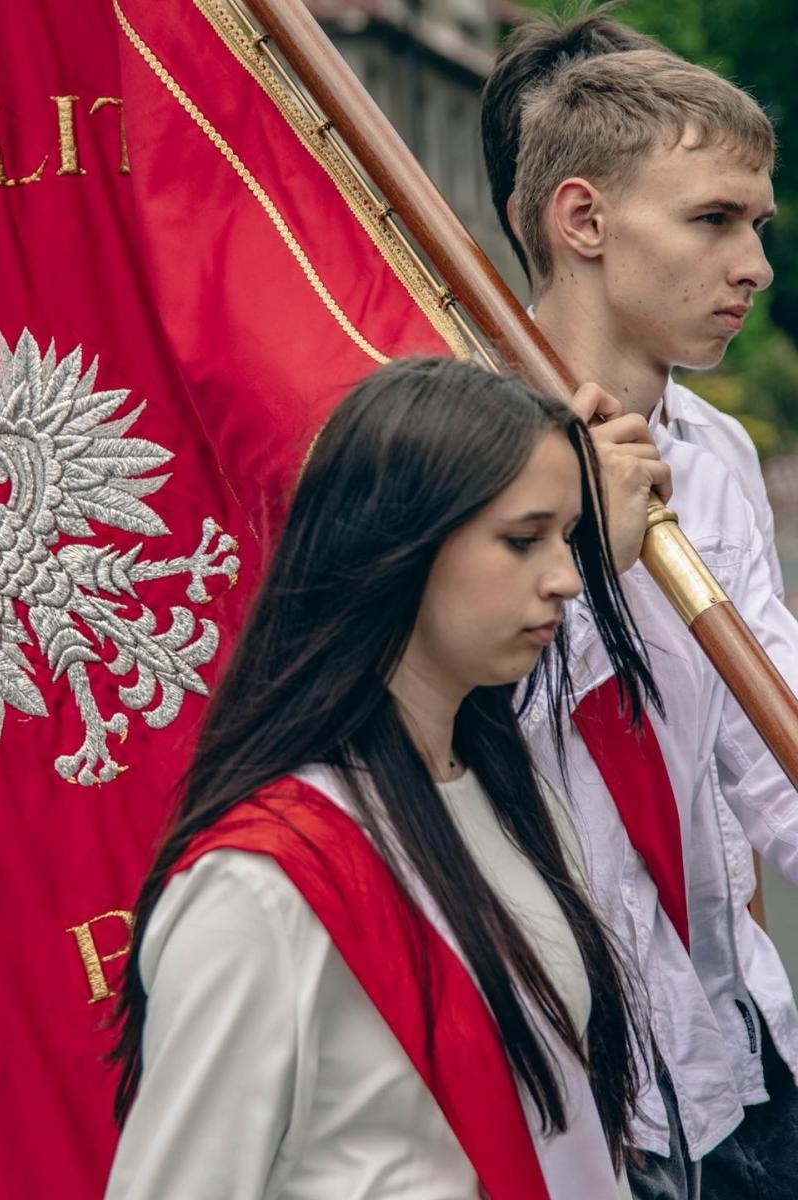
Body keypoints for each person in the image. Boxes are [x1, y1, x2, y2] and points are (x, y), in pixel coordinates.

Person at [105, 358, 670, 1200]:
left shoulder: (521, 802)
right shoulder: (261, 886)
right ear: (400, 542)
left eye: (568, 537)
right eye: (524, 539)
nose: (563, 576)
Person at [481, 11, 798, 1200]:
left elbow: (762, 730)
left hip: (735, 1049)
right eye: (712, 220)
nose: (753, 265)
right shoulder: (450, 461)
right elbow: (429, 745)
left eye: (754, 225)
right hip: (564, 1082)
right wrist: (585, 559)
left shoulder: (710, 453)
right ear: (582, 220)